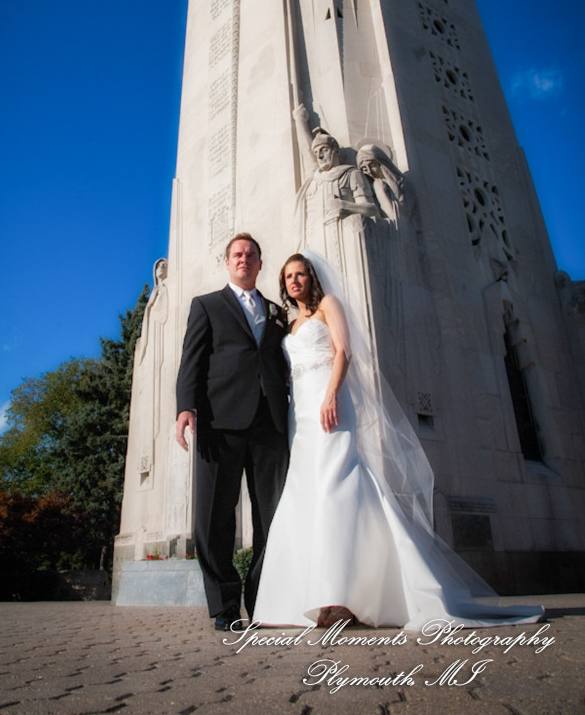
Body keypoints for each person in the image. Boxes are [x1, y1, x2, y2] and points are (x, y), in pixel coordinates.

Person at [252, 252, 544, 630]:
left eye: (300, 274)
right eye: (288, 276)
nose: (294, 281)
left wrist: (331, 395)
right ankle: (310, 595)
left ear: (312, 277)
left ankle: (340, 597)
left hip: (331, 405)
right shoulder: (290, 325)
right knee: (305, 492)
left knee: (335, 488)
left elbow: (344, 351)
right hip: (301, 416)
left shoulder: (329, 305)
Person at [175, 234, 290, 630]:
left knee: (271, 516)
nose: (244, 259)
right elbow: (191, 360)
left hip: (270, 424)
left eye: (251, 254)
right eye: (237, 254)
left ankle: (262, 603)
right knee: (213, 518)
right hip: (219, 422)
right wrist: (185, 407)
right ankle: (225, 606)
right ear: (227, 262)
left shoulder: (277, 312)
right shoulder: (206, 305)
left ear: (260, 263)